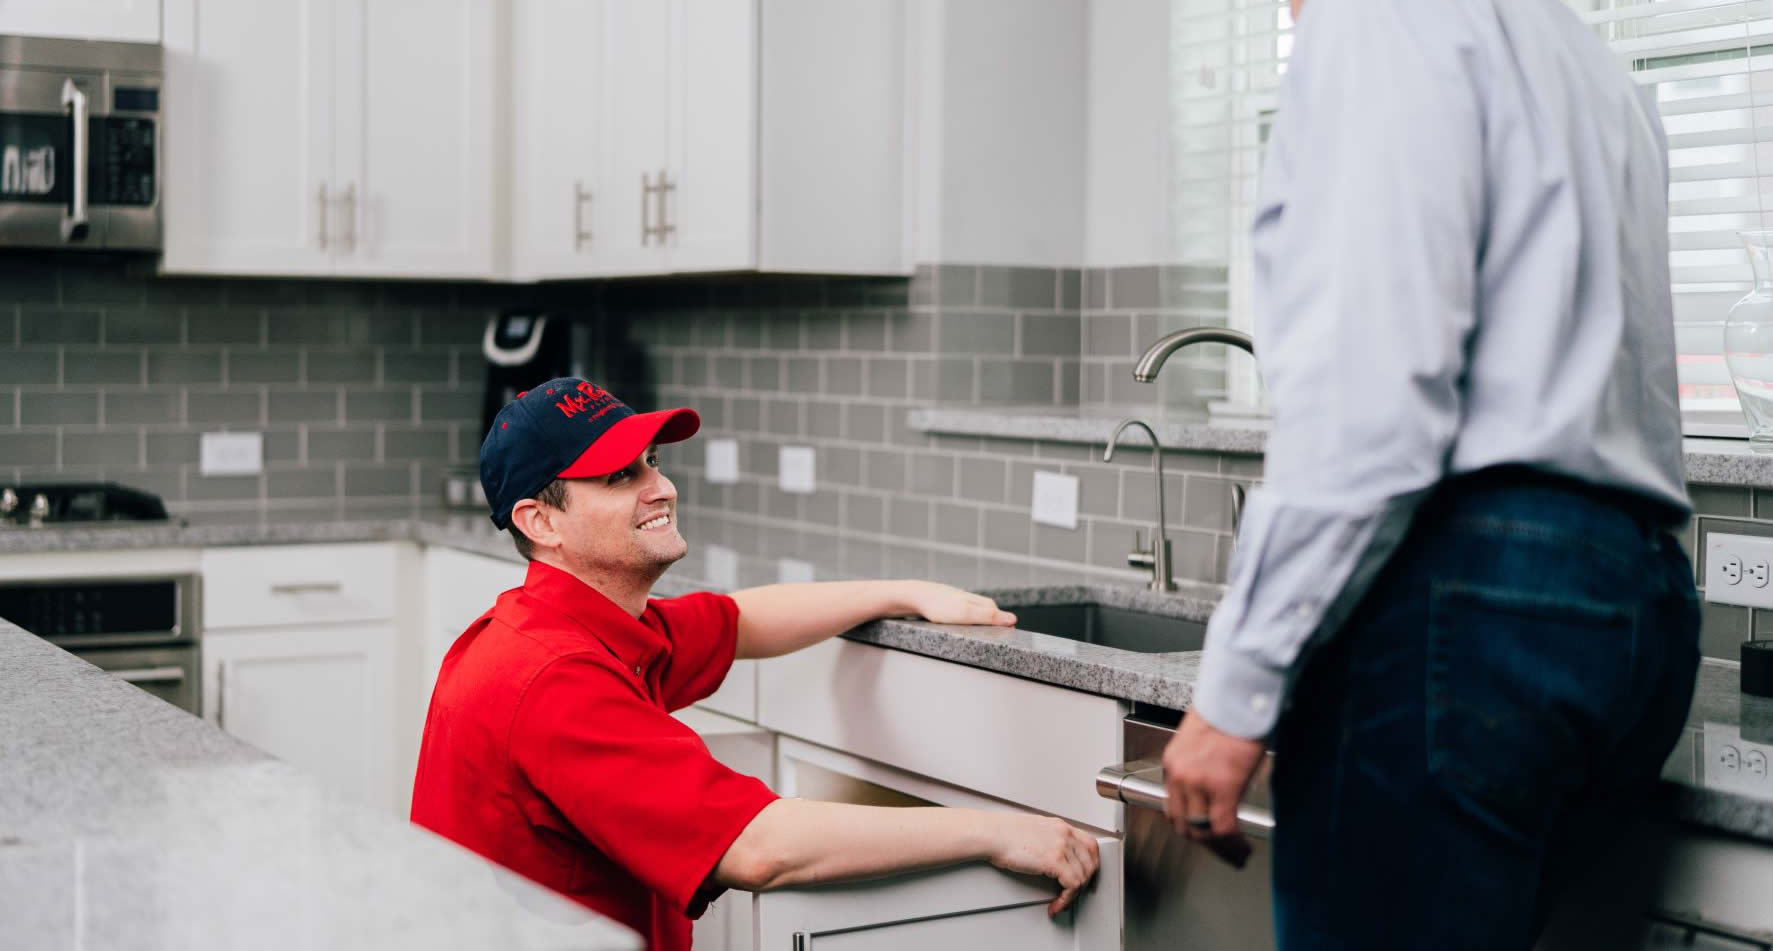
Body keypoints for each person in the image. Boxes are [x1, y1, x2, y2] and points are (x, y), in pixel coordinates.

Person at [1160, 0, 1701, 948]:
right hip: (1635, 602)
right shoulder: (1586, 61)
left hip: (1464, 597)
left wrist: (1232, 693)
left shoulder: (1377, 17)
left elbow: (1371, 399)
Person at [410, 378, 1100, 951]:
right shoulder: (555, 676)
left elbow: (740, 620)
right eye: (621, 475)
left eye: (651, 459)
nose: (660, 486)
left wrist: (902, 591)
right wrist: (999, 827)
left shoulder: (571, 625)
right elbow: (759, 846)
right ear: (540, 521)